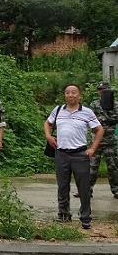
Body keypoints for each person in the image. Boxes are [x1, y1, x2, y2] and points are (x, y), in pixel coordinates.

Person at [45, 84, 104, 229]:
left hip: (80, 155)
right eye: (67, 92)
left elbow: (99, 130)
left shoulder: (87, 112)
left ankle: (85, 218)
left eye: (73, 92)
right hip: (61, 154)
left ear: (80, 95)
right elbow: (47, 123)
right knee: (62, 186)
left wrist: (92, 149)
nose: (70, 95)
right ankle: (64, 215)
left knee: (83, 188)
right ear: (64, 95)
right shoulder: (58, 110)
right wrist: (48, 136)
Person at [86, 82, 118, 199]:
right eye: (99, 89)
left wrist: (103, 118)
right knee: (91, 166)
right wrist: (106, 119)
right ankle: (86, 190)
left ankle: (116, 190)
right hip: (96, 141)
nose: (101, 91)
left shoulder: (115, 104)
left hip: (110, 140)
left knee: (113, 166)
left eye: (104, 89)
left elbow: (116, 118)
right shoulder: (94, 104)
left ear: (109, 90)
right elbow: (91, 119)